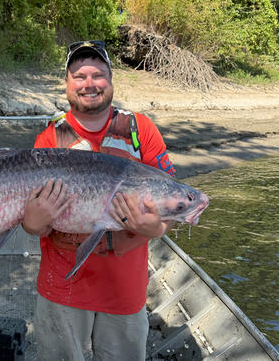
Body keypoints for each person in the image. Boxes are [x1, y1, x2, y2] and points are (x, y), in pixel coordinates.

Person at [22, 41, 177, 361]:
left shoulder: (142, 130)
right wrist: (31, 224)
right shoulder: (49, 138)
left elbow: (172, 199)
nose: (89, 84)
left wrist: (157, 228)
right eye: (79, 75)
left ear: (111, 80)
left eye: (98, 75)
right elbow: (30, 218)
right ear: (66, 83)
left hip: (124, 295)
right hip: (62, 292)